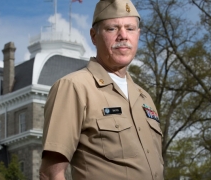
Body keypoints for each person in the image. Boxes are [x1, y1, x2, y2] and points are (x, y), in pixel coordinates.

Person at [39, 0, 164, 179]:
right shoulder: (74, 87)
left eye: (130, 28)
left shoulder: (145, 98)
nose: (123, 36)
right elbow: (51, 173)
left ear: (138, 34)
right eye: (112, 28)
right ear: (93, 36)